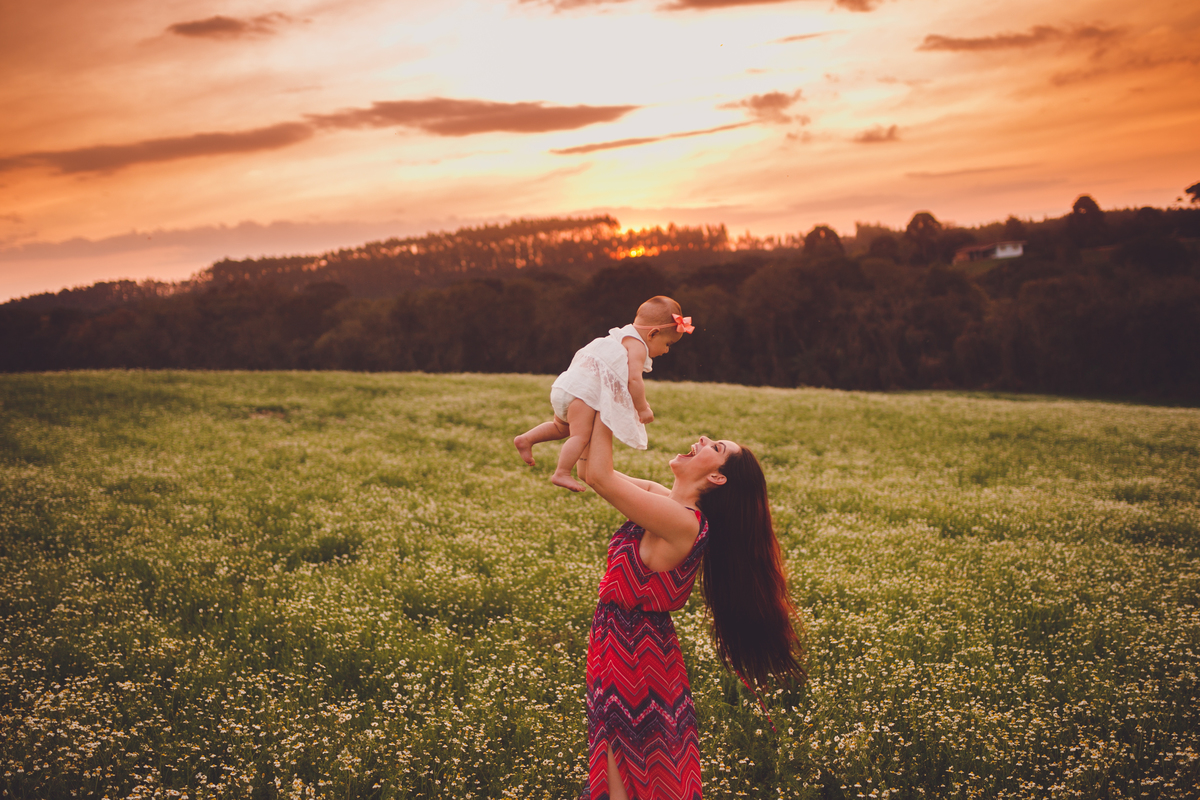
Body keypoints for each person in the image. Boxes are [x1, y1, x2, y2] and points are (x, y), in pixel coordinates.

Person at [575, 416, 805, 800]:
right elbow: (590, 469)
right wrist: (588, 410)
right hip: (623, 645)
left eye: (716, 448)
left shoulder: (681, 522)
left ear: (717, 479)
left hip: (633, 656)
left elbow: (600, 477)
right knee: (622, 759)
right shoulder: (666, 502)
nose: (704, 439)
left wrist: (609, 396)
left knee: (629, 764)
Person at [514, 296, 694, 492]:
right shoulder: (637, 346)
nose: (667, 351)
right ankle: (562, 472)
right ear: (653, 333)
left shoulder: (619, 335)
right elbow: (633, 380)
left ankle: (527, 439)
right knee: (580, 437)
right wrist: (642, 408)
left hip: (566, 387)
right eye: (668, 343)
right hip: (582, 395)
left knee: (560, 428)